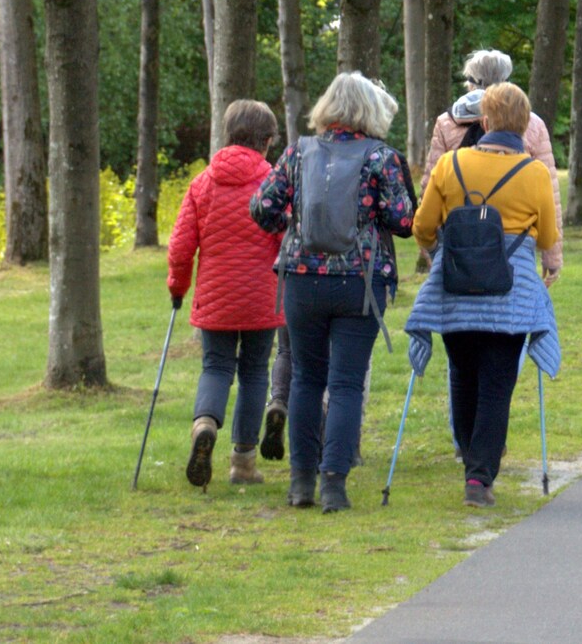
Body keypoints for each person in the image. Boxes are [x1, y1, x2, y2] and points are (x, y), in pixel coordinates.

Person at [251, 72, 414, 513]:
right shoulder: (381, 157)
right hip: (359, 283)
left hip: (302, 279)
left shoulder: (297, 153)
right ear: (370, 111)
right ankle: (334, 485)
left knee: (305, 379)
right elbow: (403, 221)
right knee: (345, 384)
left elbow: (261, 207)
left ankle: (300, 482)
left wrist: (294, 226)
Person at [407, 82, 561, 508]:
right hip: (508, 296)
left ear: (486, 121)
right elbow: (547, 235)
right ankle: (479, 478)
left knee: (462, 372)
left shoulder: (451, 164)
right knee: (497, 383)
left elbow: (422, 227)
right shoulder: (533, 172)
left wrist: (445, 249)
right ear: (525, 124)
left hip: (455, 290)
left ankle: (469, 457)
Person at [167, 100, 284, 492]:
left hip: (215, 295)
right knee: (253, 373)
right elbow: (286, 238)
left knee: (216, 367)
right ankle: (243, 462)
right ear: (266, 141)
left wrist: (177, 286)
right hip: (260, 298)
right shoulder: (273, 181)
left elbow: (182, 246)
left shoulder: (203, 182)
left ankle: (204, 424)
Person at [422, 49, 563, 286]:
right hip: (514, 247)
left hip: (459, 246)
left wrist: (433, 252)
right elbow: (549, 195)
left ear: (471, 83)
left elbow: (430, 189)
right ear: (506, 80)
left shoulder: (447, 123)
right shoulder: (531, 123)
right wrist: (552, 257)